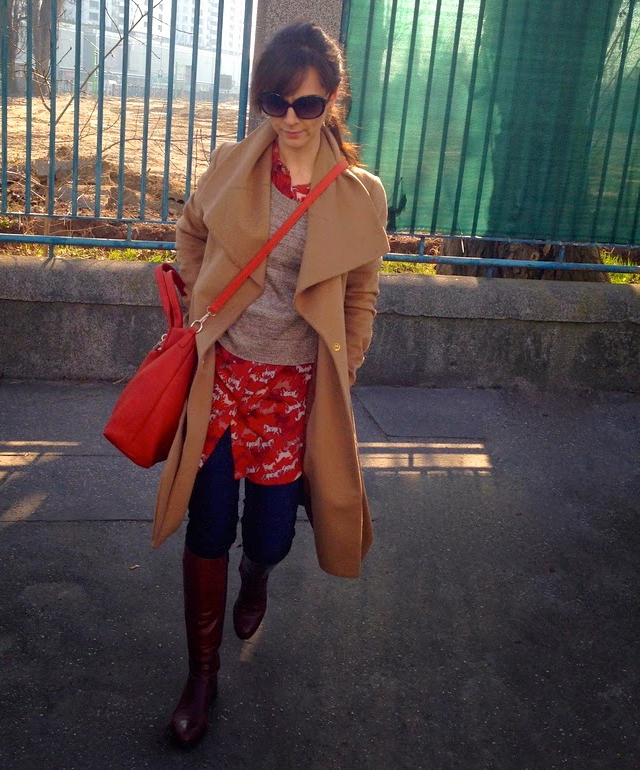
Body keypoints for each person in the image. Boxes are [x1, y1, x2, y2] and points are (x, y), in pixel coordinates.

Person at [152, 21, 390, 746]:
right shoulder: (233, 166)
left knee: (271, 536)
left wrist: (346, 364)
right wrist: (202, 300)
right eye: (275, 102)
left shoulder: (359, 194)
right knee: (206, 527)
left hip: (295, 394)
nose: (290, 119)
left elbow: (362, 293)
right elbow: (190, 232)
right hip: (222, 379)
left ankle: (257, 576)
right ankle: (202, 674)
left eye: (307, 104)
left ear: (333, 99)